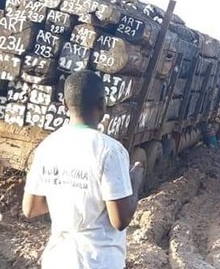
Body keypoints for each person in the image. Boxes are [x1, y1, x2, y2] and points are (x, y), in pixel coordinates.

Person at [22, 70, 144, 269]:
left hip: (57, 260)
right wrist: (134, 182)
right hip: (99, 261)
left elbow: (31, 208)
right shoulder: (110, 150)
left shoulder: (48, 146)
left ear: (64, 105)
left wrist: (70, 193)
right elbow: (120, 220)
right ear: (102, 104)